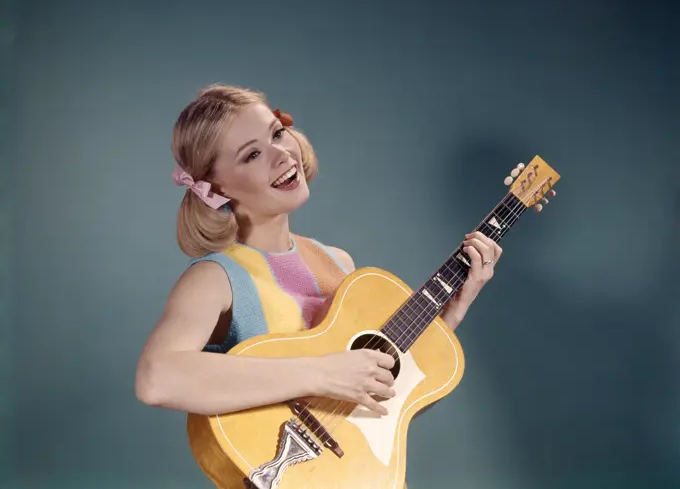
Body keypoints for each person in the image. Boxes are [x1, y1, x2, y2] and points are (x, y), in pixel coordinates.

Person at [134, 84, 504, 485]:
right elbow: (157, 379)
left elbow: (374, 401)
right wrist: (323, 373)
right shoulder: (214, 278)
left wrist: (451, 313)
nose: (281, 154)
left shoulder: (338, 262)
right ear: (216, 188)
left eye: (276, 133)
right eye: (252, 154)